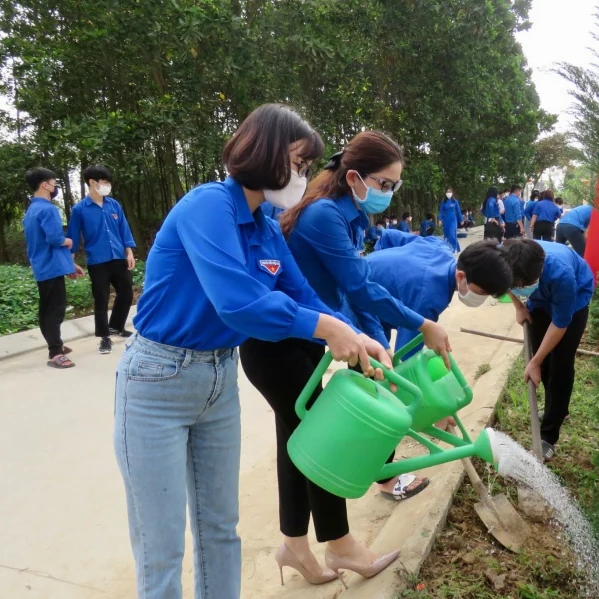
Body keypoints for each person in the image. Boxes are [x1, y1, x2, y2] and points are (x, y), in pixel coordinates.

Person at [115, 104, 392, 599]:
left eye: (308, 168)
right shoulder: (209, 207)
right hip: (159, 380)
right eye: (300, 163)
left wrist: (358, 334)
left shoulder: (265, 223)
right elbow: (239, 303)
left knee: (220, 529)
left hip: (217, 381)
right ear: (263, 152)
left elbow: (300, 291)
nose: (303, 176)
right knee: (161, 546)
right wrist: (326, 326)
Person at [278, 131, 453, 504]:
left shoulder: (352, 215)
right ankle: (374, 489)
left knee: (376, 387)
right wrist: (424, 324)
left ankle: (382, 480)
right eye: (384, 183)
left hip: (325, 323)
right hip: (297, 331)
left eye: (394, 185)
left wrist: (376, 342)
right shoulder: (325, 214)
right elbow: (360, 288)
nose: (388, 192)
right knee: (306, 440)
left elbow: (351, 291)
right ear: (354, 177)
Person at [502, 238, 595, 462]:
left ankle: (549, 435)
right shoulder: (503, 257)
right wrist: (519, 306)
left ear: (540, 271)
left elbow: (561, 324)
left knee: (560, 364)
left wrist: (533, 361)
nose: (521, 289)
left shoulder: (561, 275)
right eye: (518, 286)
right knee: (542, 363)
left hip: (574, 298)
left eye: (525, 285)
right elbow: (501, 282)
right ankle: (556, 406)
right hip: (539, 301)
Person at [352, 229, 512, 359]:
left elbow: (389, 236)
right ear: (461, 276)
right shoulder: (429, 299)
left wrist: (380, 265)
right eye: (480, 292)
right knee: (372, 362)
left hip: (361, 273)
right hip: (356, 299)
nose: (481, 299)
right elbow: (405, 355)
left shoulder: (439, 246)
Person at [66, 165, 137, 355]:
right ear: (92, 182)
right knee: (101, 298)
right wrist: (70, 262)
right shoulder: (80, 209)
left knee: (126, 292)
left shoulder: (114, 205)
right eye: (104, 182)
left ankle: (116, 326)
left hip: (118, 257)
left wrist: (129, 252)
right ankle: (104, 337)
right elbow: (73, 235)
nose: (107, 186)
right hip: (97, 261)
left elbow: (123, 229)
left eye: (108, 183)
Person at [22, 168, 85, 369]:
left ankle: (54, 344)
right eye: (54, 182)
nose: (55, 186)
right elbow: (54, 239)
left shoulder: (31, 210)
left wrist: (70, 265)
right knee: (54, 311)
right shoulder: (48, 209)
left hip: (43, 266)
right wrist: (68, 240)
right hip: (50, 268)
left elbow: (41, 244)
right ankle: (55, 352)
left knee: (48, 308)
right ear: (45, 185)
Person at [438, 187, 463, 252]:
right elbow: (441, 211)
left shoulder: (455, 201)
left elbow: (458, 211)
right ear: (445, 193)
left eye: (449, 192)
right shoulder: (444, 202)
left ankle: (453, 248)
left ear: (452, 193)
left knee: (452, 234)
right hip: (446, 220)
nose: (448, 193)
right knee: (447, 235)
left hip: (453, 220)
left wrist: (461, 219)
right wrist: (440, 219)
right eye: (447, 192)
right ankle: (448, 248)